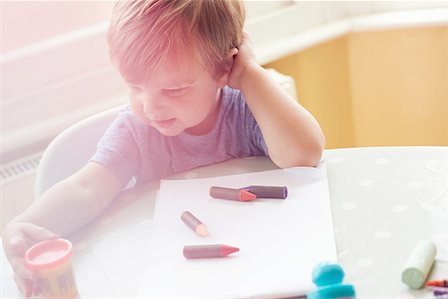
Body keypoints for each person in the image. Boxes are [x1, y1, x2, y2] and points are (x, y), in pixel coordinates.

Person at [2, 0, 325, 297]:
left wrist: (250, 73)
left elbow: (304, 154)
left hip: (255, 263)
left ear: (224, 69)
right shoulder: (137, 132)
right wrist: (24, 225)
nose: (151, 107)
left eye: (174, 89)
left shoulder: (247, 110)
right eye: (135, 87)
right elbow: (87, 188)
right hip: (175, 278)